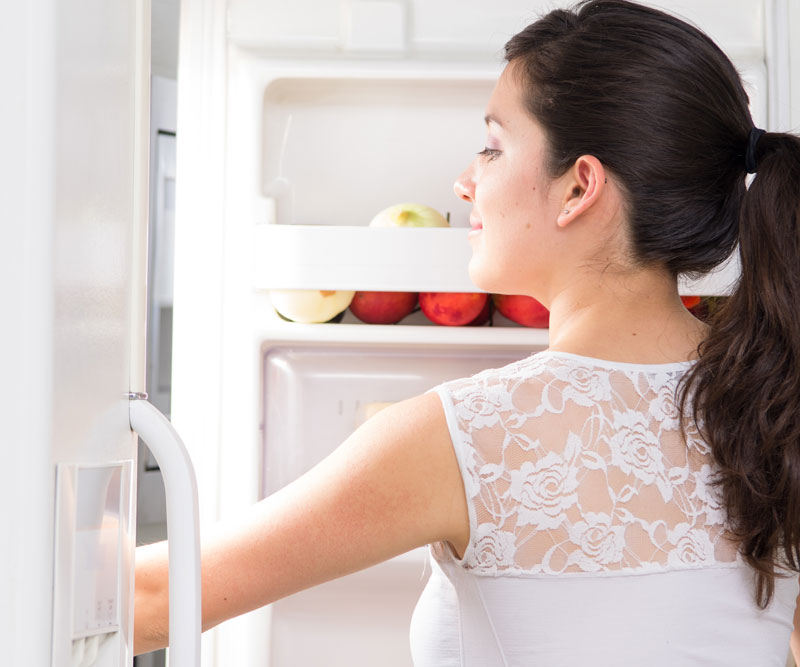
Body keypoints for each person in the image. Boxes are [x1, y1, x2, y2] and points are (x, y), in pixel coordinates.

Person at [135, 0, 800, 664]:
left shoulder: (467, 436)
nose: (463, 182)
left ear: (579, 188)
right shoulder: (775, 410)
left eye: (493, 146)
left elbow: (156, 595)